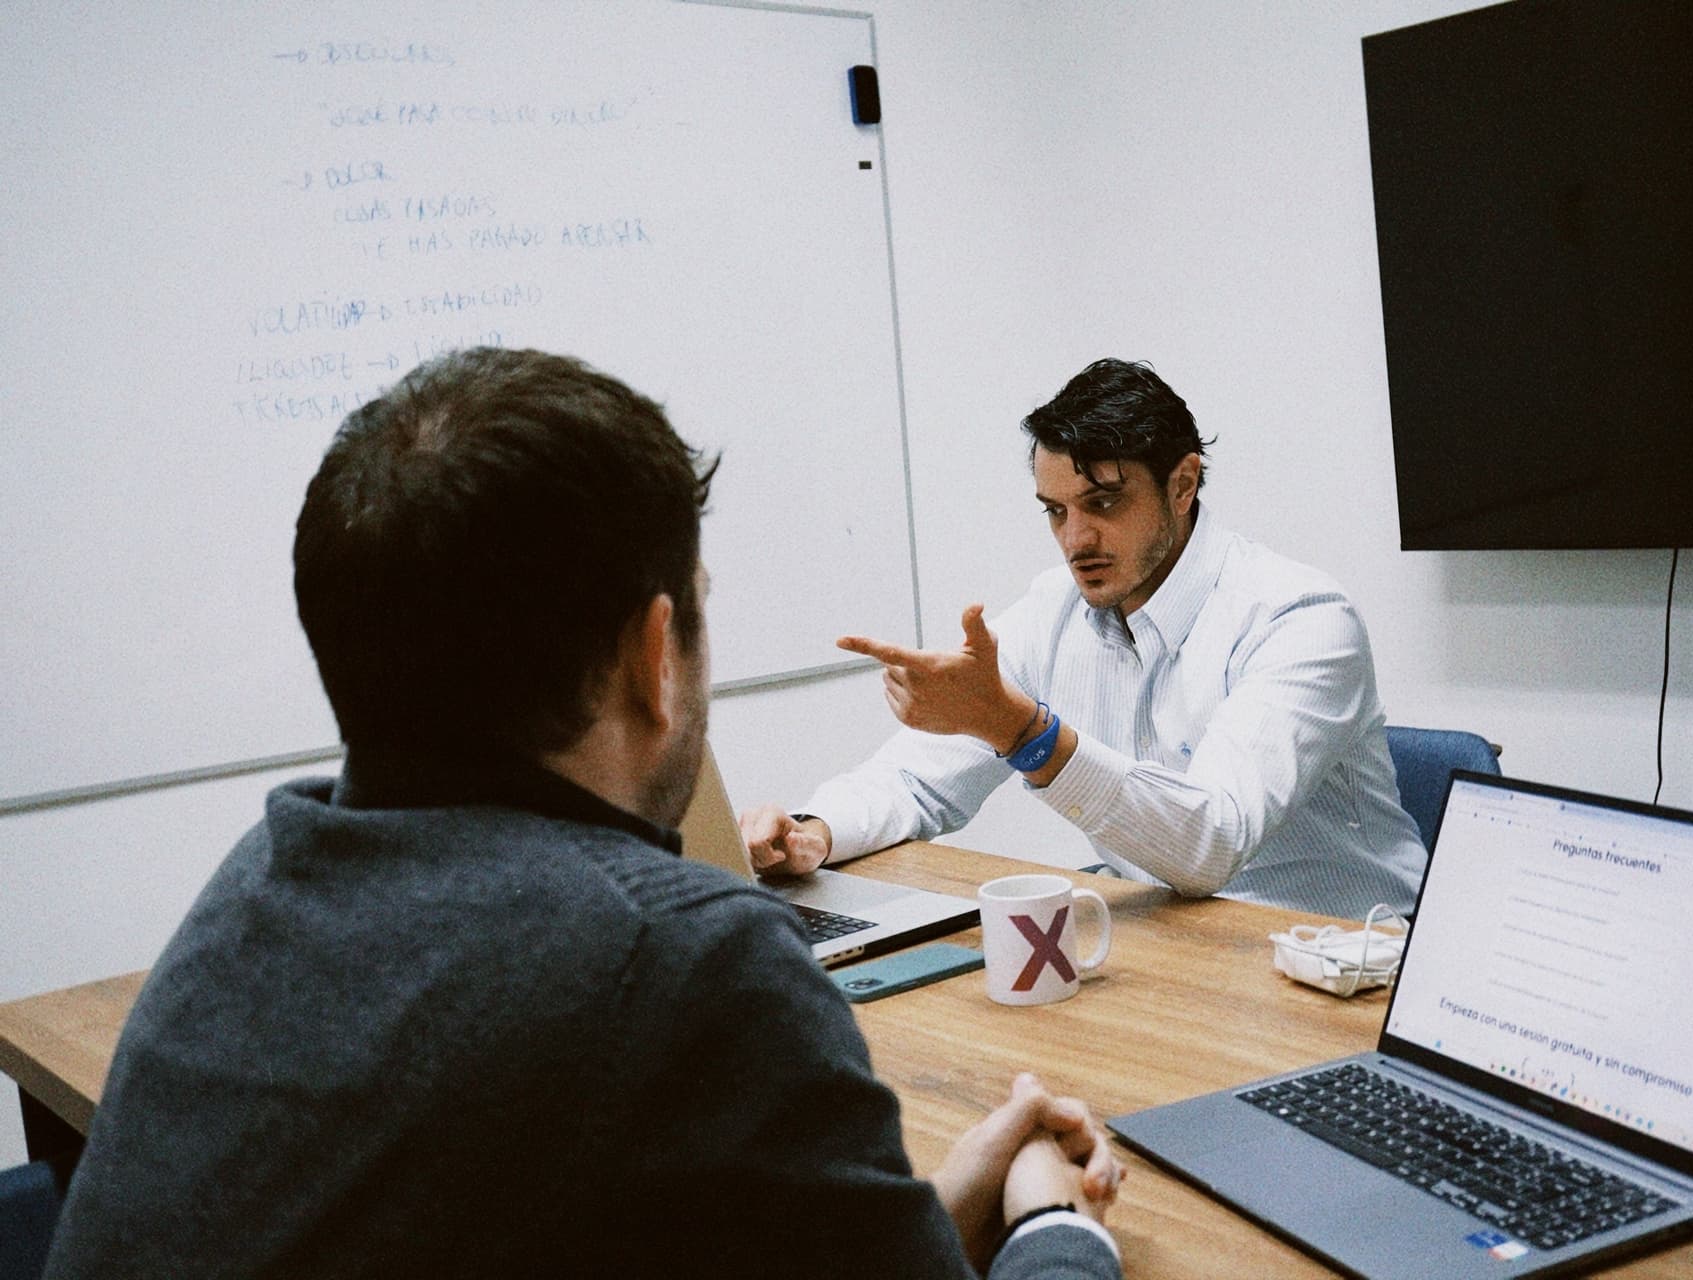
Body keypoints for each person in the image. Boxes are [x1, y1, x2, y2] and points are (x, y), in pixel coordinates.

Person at [44, 348, 1123, 1279]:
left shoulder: (257, 887)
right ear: (654, 654)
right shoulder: (683, 958)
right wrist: (1052, 1220)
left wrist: (924, 1218)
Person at [742, 358, 1427, 921]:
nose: (1076, 541)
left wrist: (1022, 732)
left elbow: (1211, 844)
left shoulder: (1298, 618)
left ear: (1182, 484)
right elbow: (917, 782)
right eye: (1056, 512)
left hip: (1340, 966)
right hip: (1169, 944)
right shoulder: (1056, 610)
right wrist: (812, 831)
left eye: (1103, 505)